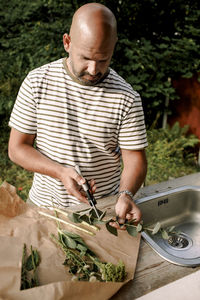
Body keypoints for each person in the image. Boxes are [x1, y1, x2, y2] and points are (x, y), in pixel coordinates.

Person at [8, 2, 148, 228]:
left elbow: (135, 159)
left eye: (103, 60)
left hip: (102, 211)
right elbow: (17, 149)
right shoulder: (37, 82)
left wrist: (126, 194)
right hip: (43, 208)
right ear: (67, 42)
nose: (94, 70)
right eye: (86, 58)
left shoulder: (127, 98)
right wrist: (60, 172)